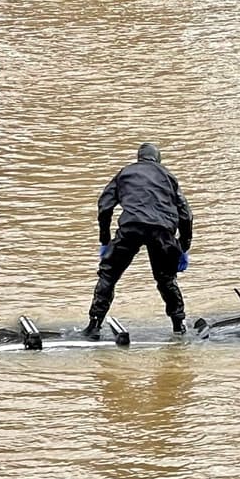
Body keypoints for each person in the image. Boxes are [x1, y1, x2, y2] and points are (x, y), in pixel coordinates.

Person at [83, 142, 193, 338]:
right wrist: (183, 247)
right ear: (158, 159)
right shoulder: (168, 176)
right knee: (166, 279)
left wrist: (105, 240)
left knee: (108, 275)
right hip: (162, 230)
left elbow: (104, 206)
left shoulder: (125, 173)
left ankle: (94, 325)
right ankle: (179, 326)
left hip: (131, 226)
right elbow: (186, 214)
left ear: (138, 158)